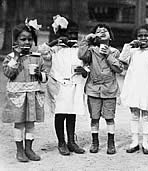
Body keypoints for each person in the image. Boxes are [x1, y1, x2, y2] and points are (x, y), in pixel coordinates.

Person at [39, 15, 87, 156]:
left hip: (73, 84)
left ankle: (71, 141)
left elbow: (86, 64)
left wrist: (84, 71)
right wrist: (55, 42)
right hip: (58, 85)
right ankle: (61, 142)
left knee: (71, 113)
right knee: (60, 114)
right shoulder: (54, 49)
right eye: (69, 33)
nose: (72, 36)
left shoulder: (79, 49)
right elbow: (42, 51)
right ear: (61, 34)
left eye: (75, 34)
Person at [2, 19, 47, 162]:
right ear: (15, 41)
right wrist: (16, 57)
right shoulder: (10, 57)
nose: (27, 42)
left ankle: (29, 148)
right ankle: (19, 150)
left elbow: (46, 76)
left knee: (30, 123)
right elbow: (9, 73)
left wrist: (40, 74)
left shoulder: (37, 58)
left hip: (33, 95)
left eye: (29, 39)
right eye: (23, 39)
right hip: (18, 96)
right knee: (19, 123)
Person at [78, 23, 123, 155]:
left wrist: (108, 55)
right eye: (99, 31)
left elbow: (119, 68)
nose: (102, 32)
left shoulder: (114, 51)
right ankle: (95, 142)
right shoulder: (90, 51)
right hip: (93, 88)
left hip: (110, 89)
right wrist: (87, 39)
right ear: (95, 36)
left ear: (110, 36)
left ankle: (111, 142)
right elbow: (81, 55)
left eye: (105, 31)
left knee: (109, 117)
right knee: (94, 117)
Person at [119, 24, 148, 155]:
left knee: (146, 115)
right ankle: (134, 141)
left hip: (147, 86)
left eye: (146, 35)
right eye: (140, 36)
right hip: (134, 86)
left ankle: (146, 142)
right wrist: (129, 45)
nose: (143, 38)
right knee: (134, 114)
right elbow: (122, 59)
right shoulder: (132, 52)